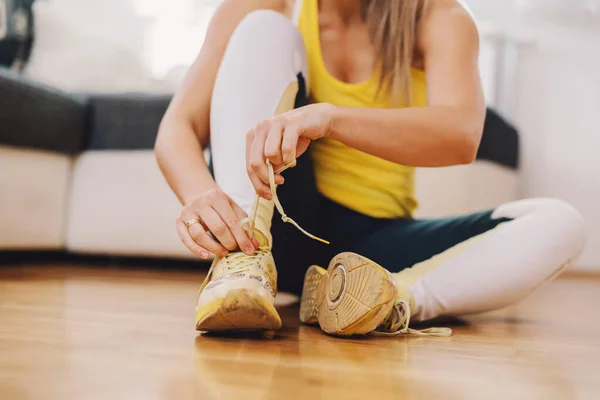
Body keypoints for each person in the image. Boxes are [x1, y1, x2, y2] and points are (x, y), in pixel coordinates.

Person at [155, 0, 586, 336]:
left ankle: (382, 302)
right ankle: (242, 270)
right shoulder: (266, 5)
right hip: (274, 223)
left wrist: (331, 119)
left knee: (562, 223)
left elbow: (461, 135)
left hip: (372, 252)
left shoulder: (440, 16)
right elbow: (177, 128)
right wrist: (200, 196)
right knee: (262, 28)